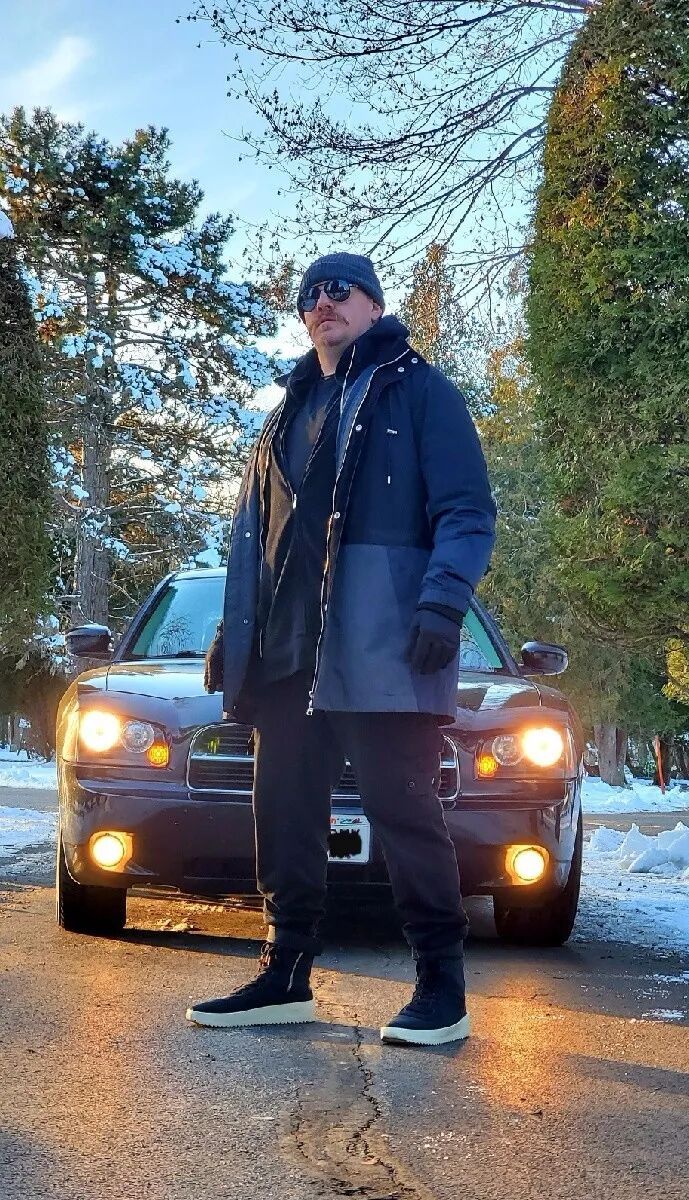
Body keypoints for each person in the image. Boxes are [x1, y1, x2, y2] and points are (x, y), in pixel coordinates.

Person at [186, 253, 497, 1045]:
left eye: (340, 288)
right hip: (288, 652)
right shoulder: (284, 415)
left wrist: (443, 601)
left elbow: (467, 510)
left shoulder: (418, 391)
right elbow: (262, 544)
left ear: (373, 306)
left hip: (382, 644)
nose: (323, 301)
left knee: (403, 809)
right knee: (284, 810)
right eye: (310, 294)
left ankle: (442, 986)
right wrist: (232, 630)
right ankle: (285, 974)